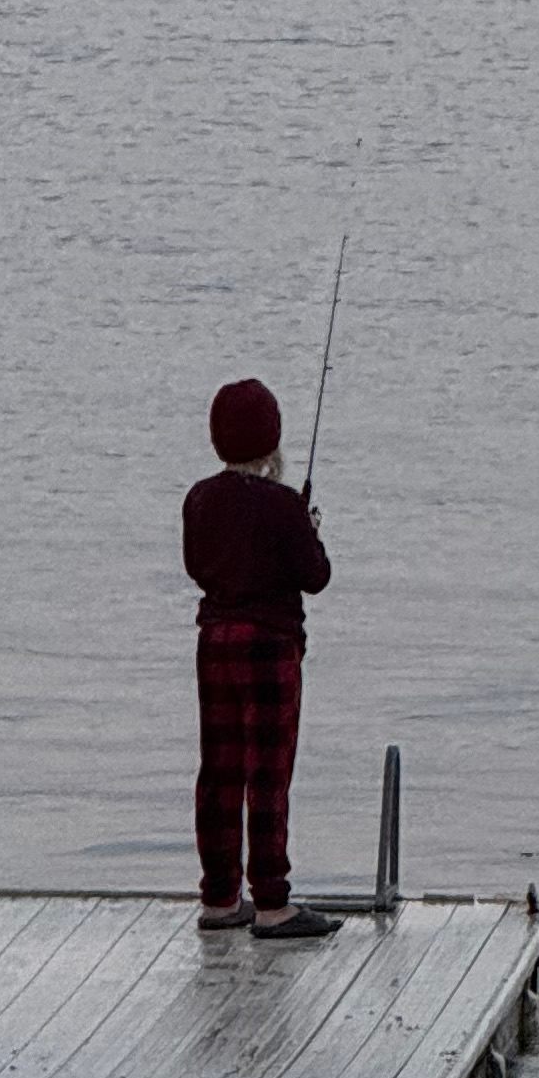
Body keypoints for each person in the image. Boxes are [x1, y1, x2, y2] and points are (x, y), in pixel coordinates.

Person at [183, 377, 339, 940]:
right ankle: (272, 903)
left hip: (214, 643)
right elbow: (314, 577)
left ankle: (220, 898)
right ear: (271, 440)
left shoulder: (199, 498)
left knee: (219, 771)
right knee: (266, 776)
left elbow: (197, 566)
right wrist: (310, 531)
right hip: (269, 648)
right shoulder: (282, 507)